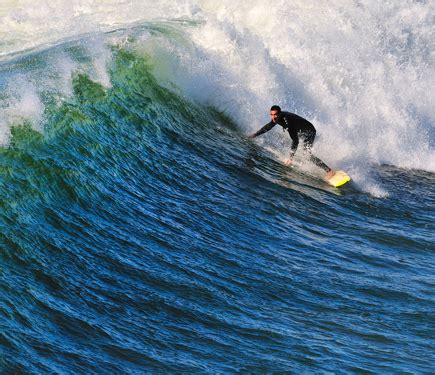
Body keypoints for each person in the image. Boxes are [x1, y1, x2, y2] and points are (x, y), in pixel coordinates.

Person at [249, 105, 335, 177]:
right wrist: (255, 135)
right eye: (271, 114)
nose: (273, 117)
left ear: (279, 113)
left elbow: (295, 140)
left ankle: (329, 171)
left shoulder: (287, 122)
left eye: (275, 114)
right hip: (301, 130)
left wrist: (290, 158)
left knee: (307, 155)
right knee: (303, 152)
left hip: (309, 131)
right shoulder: (277, 118)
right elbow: (268, 127)